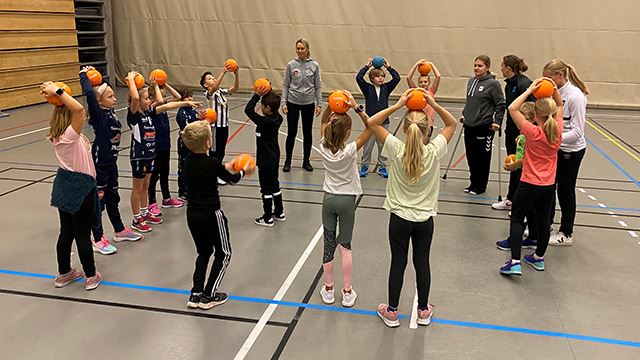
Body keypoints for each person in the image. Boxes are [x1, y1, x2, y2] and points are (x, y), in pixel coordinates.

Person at [368, 88, 457, 328]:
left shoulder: (397, 148)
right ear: (428, 130)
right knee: (422, 262)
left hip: (399, 218)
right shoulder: (433, 150)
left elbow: (372, 121)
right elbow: (451, 124)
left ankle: (392, 312)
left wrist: (398, 106)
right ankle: (424, 310)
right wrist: (433, 104)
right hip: (424, 220)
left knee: (398, 262)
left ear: (406, 129)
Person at [182, 121, 252, 309]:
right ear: (207, 143)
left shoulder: (187, 161)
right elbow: (232, 178)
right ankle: (209, 295)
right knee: (224, 253)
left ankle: (195, 294)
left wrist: (226, 167)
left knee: (203, 252)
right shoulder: (212, 163)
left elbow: (213, 172)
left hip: (192, 214)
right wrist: (243, 169)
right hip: (212, 215)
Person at [41, 81, 103, 290]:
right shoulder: (70, 135)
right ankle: (91, 276)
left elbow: (76, 111)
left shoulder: (63, 134)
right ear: (69, 118)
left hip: (65, 184)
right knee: (81, 233)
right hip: (79, 186)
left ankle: (64, 273)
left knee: (66, 232)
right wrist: (57, 91)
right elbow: (78, 109)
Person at [499, 78, 564, 276]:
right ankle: (539, 258)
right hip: (548, 185)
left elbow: (512, 108)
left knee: (517, 219)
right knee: (544, 221)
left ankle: (515, 262)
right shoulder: (558, 130)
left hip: (529, 183)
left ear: (536, 114)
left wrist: (530, 90)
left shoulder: (532, 131)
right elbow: (560, 104)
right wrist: (552, 87)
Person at [126, 71, 200, 233]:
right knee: (137, 188)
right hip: (139, 156)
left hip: (151, 155)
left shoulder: (149, 113)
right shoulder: (134, 116)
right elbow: (138, 98)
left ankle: (145, 214)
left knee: (145, 186)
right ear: (137, 102)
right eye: (146, 99)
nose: (149, 101)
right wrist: (131, 80)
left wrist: (185, 104)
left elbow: (166, 105)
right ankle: (136, 219)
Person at [79, 66, 142, 255]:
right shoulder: (98, 116)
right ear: (99, 101)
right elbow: (89, 93)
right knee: (99, 204)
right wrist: (84, 75)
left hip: (111, 163)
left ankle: (119, 230)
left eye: (114, 96)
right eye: (110, 96)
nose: (115, 99)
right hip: (100, 165)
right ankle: (97, 239)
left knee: (114, 198)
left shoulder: (111, 112)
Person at [317, 91, 371, 308]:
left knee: (328, 244)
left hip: (329, 199)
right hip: (347, 200)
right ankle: (347, 292)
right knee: (345, 247)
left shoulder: (322, 145)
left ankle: (328, 289)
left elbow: (323, 120)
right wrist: (356, 107)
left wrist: (333, 104)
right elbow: (371, 127)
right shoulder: (350, 150)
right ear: (348, 132)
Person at [543, 59, 589, 246]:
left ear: (560, 76)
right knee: (548, 188)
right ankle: (546, 225)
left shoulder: (575, 97)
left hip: (571, 151)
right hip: (555, 149)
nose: (545, 82)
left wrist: (553, 140)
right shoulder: (552, 93)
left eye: (548, 78)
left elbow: (577, 132)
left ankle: (566, 233)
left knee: (565, 190)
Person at [492, 55, 534, 210]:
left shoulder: (524, 84)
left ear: (508, 68)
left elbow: (531, 108)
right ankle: (511, 199)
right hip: (511, 130)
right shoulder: (509, 84)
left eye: (502, 66)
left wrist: (524, 132)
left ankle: (519, 203)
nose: (501, 68)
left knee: (520, 167)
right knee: (513, 164)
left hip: (521, 132)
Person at [495, 102, 538, 251]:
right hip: (524, 172)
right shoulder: (524, 134)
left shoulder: (531, 136)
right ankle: (533, 237)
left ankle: (513, 242)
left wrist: (515, 165)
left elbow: (528, 158)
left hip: (526, 174)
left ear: (532, 119)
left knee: (520, 211)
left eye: (524, 117)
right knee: (531, 208)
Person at [461, 55, 506, 195]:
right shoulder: (471, 81)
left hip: (484, 125)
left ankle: (481, 185)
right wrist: (465, 114)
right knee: (471, 155)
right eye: (475, 65)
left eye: (480, 66)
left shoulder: (492, 84)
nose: (476, 68)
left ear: (487, 67)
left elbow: (500, 103)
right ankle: (473, 182)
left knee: (482, 157)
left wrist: (497, 121)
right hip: (469, 125)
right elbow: (470, 101)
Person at [244, 85, 285, 227]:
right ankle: (279, 212)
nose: (260, 108)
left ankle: (267, 218)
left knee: (266, 189)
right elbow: (273, 103)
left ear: (267, 108)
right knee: (275, 184)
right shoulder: (278, 118)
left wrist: (256, 95)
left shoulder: (264, 122)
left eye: (262, 105)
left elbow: (248, 110)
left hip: (265, 160)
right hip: (274, 157)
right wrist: (269, 91)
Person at [356, 57, 401, 178]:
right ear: (371, 79)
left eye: (382, 76)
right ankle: (364, 165)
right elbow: (359, 78)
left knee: (383, 146)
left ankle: (382, 167)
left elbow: (397, 78)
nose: (381, 78)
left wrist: (388, 67)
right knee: (368, 146)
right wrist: (367, 66)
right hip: (370, 122)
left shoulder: (386, 88)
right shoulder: (367, 89)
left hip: (384, 122)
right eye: (378, 76)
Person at [281, 38, 322, 172]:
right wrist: (284, 102)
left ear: (307, 49)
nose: (300, 51)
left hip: (308, 103)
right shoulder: (291, 65)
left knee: (307, 133)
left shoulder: (314, 65)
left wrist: (319, 104)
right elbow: (286, 84)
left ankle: (306, 161)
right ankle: (288, 161)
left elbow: (318, 86)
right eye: (298, 48)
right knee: (291, 132)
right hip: (293, 102)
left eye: (302, 48)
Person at [147, 78, 185, 217]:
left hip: (165, 145)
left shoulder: (161, 104)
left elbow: (178, 97)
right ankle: (151, 202)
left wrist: (166, 84)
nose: (164, 98)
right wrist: (156, 85)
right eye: (160, 96)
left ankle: (166, 198)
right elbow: (161, 101)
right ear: (151, 98)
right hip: (155, 147)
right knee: (154, 176)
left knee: (165, 173)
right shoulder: (152, 109)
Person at [200, 63, 239, 184]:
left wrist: (236, 74)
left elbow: (235, 88)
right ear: (206, 85)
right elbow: (214, 88)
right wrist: (223, 72)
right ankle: (212, 174)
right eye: (210, 78)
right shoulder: (209, 93)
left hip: (224, 126)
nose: (213, 78)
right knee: (214, 152)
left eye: (213, 77)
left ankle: (216, 173)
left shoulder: (222, 92)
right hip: (214, 127)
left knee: (221, 151)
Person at [176, 88, 201, 200]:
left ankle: (192, 188)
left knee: (193, 166)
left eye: (191, 96)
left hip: (194, 143)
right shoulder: (181, 113)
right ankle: (183, 191)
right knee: (184, 166)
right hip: (185, 143)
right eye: (187, 97)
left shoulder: (194, 111)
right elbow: (187, 128)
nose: (190, 99)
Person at [407, 60, 441, 140]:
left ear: (429, 82)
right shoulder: (416, 91)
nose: (423, 84)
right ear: (418, 83)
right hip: (417, 122)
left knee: (425, 145)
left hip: (428, 124)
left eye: (425, 82)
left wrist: (431, 64)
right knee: (416, 144)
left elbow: (438, 76)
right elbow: (408, 78)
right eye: (421, 82)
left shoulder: (431, 92)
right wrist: (416, 64)